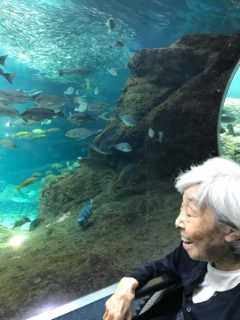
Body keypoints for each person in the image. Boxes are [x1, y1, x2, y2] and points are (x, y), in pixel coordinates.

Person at [103, 157, 240, 320]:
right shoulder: (196, 254)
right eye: (181, 209)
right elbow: (160, 266)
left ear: (231, 231)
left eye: (189, 213)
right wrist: (128, 282)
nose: (178, 222)